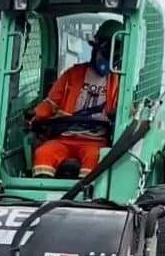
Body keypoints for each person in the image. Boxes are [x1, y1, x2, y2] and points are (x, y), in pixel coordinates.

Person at [30, 20, 122, 178]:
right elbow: (51, 103)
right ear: (96, 48)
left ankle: (86, 199)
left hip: (95, 140)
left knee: (95, 158)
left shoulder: (120, 83)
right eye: (106, 52)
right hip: (65, 136)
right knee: (44, 153)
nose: (106, 60)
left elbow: (122, 110)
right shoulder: (72, 74)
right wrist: (35, 115)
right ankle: (42, 196)